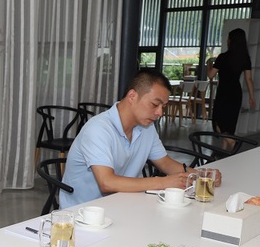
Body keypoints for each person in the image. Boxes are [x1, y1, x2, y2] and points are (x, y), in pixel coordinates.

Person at [60, 68, 221, 208]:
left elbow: (165, 163)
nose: (159, 113)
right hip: (83, 214)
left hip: (123, 206)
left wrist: (200, 176)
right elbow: (106, 183)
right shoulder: (98, 129)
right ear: (132, 96)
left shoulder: (146, 128)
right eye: (155, 104)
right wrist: (163, 182)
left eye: (163, 107)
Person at [206, 27, 256, 143]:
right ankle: (226, 150)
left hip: (223, 93)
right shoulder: (245, 58)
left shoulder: (223, 57)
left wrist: (208, 64)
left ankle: (232, 144)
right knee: (230, 123)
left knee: (218, 122)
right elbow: (249, 79)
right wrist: (252, 97)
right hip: (236, 93)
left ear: (231, 40)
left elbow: (210, 75)